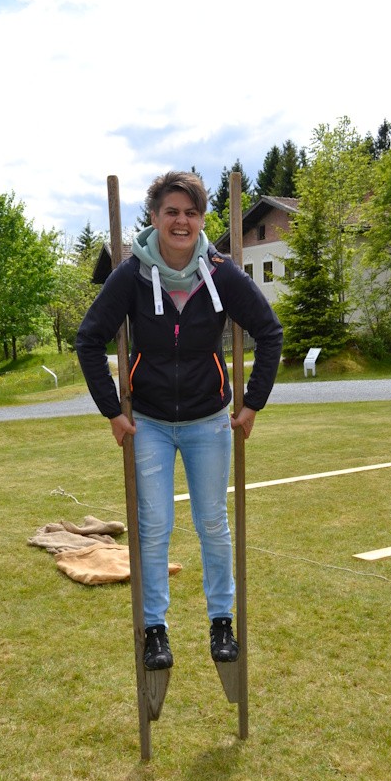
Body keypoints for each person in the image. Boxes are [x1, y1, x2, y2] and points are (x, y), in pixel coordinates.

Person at [76, 171, 283, 671]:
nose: (181, 221)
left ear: (202, 220)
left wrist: (251, 403)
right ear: (154, 217)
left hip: (208, 421)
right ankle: (155, 631)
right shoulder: (131, 274)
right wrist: (112, 411)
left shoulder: (221, 271)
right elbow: (89, 338)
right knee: (154, 528)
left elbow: (269, 331)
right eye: (171, 212)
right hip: (146, 422)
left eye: (191, 213)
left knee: (212, 523)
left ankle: (221, 622)